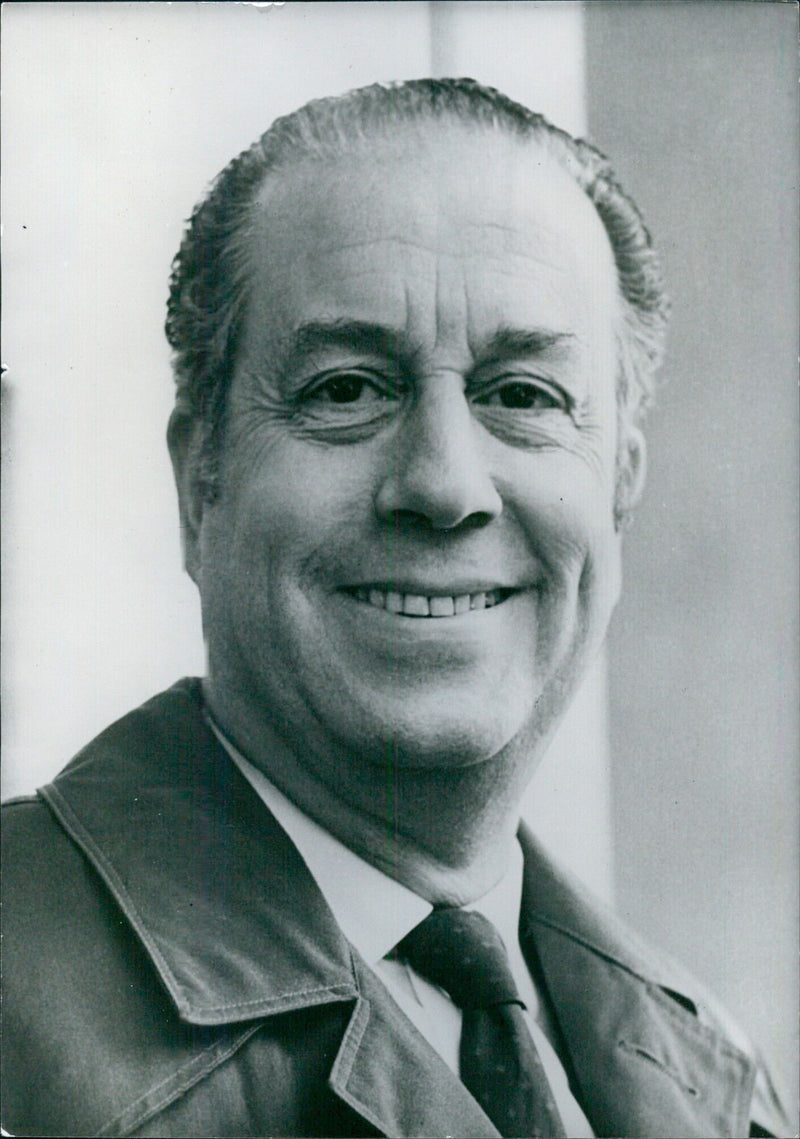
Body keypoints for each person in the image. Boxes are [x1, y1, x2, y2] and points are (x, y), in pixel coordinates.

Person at [2, 78, 790, 1139]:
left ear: (616, 490)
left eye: (521, 395)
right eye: (345, 388)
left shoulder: (714, 1078)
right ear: (201, 482)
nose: (445, 483)